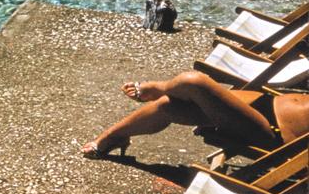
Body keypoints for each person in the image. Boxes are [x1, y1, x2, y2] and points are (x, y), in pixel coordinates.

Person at [81, 71, 309, 159]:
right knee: (167, 106)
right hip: (268, 103)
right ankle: (114, 136)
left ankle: (159, 86)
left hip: (272, 132)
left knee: (192, 82)